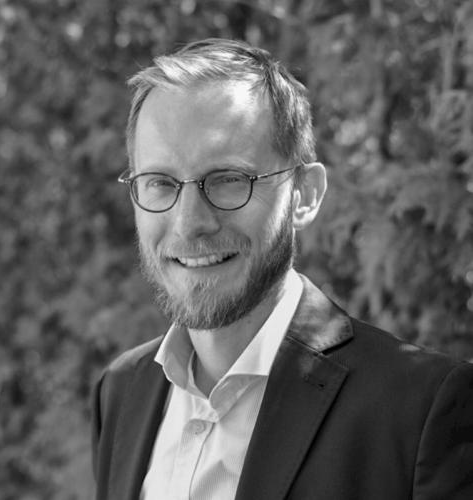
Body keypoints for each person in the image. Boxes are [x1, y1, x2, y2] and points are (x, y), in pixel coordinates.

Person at [91, 38, 473, 500]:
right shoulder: (120, 392)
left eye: (228, 180)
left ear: (305, 195)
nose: (190, 223)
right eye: (160, 183)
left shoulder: (420, 409)